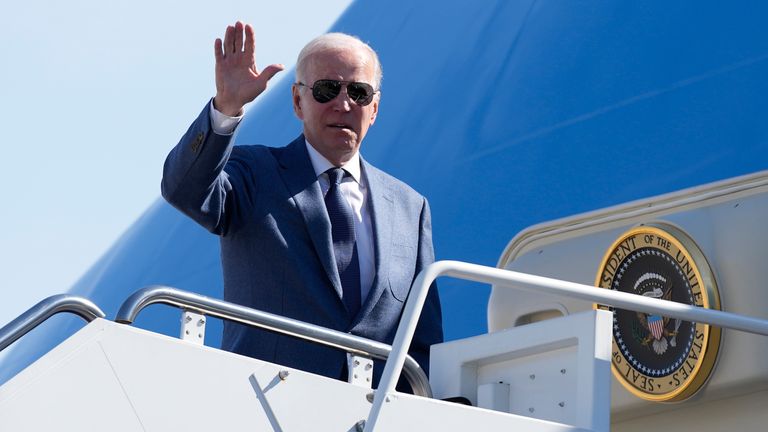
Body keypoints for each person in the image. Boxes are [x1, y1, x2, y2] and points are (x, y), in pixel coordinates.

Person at [161, 21, 442, 388]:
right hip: (267, 405)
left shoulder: (410, 208)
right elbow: (184, 190)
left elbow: (423, 344)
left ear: (374, 109)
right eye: (327, 89)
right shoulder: (255, 173)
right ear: (298, 101)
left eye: (358, 92)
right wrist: (226, 107)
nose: (343, 103)